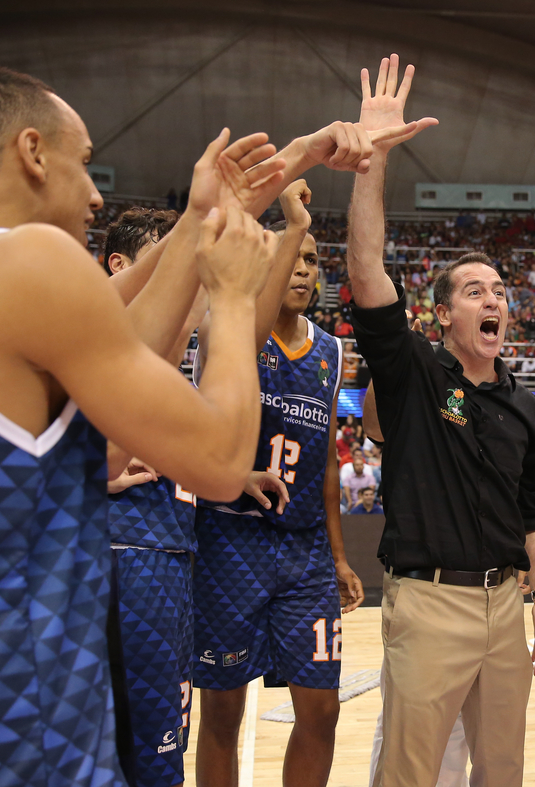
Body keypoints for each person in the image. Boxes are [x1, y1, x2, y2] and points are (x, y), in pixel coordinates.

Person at [0, 66, 287, 787]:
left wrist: (199, 224)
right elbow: (223, 459)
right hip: (0, 732)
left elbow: (107, 356)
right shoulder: (24, 260)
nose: (98, 192)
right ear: (33, 152)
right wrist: (229, 295)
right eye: (84, 161)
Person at [347, 55, 535, 787]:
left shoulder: (523, 404)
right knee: (409, 774)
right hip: (428, 602)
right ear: (443, 312)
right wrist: (371, 158)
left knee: (503, 772)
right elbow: (367, 268)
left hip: (505, 604)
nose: (492, 297)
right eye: (473, 289)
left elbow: (531, 504)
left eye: (498, 288)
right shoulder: (414, 372)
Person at [192, 184, 365, 787]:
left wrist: (341, 555)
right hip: (228, 539)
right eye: (291, 254)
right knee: (222, 709)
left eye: (313, 259)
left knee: (321, 708)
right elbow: (245, 335)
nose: (302, 267)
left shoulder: (332, 350)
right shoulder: (226, 326)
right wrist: (291, 226)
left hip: (305, 550)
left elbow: (324, 466)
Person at [99, 206, 205, 787]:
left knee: (163, 755)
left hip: (171, 558)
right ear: (120, 265)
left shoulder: (172, 357)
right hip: (126, 554)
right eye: (169, 254)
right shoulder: (94, 339)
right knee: (142, 757)